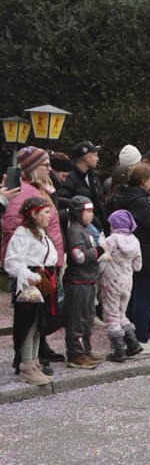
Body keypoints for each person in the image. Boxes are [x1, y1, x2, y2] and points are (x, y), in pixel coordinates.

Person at [2, 146, 67, 369]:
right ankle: (25, 361)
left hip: (44, 265)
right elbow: (13, 228)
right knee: (28, 317)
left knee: (40, 317)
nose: (50, 168)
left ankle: (36, 357)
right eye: (45, 165)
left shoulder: (37, 189)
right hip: (31, 268)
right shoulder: (24, 192)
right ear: (32, 168)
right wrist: (28, 263)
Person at [106, 164, 150, 355]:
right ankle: (142, 339)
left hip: (124, 254)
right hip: (147, 254)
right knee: (143, 298)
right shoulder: (142, 201)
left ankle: (129, 338)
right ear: (144, 181)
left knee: (130, 297)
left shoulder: (118, 197)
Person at [4, 197, 61, 385]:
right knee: (29, 325)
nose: (49, 216)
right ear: (34, 214)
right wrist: (28, 275)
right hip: (30, 285)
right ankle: (26, 366)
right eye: (45, 212)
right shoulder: (23, 234)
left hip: (44, 284)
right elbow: (12, 262)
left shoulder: (40, 233)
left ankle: (34, 361)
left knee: (38, 325)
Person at [63, 195, 108, 368]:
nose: (91, 215)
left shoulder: (84, 229)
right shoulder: (75, 231)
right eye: (88, 211)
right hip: (77, 282)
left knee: (88, 318)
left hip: (87, 281)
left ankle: (85, 351)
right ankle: (76, 354)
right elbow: (79, 257)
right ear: (78, 212)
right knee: (77, 319)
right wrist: (99, 250)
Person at [99, 209, 143, 362]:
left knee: (111, 315)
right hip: (127, 282)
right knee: (121, 313)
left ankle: (118, 350)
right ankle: (133, 342)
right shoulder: (135, 240)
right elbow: (138, 266)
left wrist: (99, 273)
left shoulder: (111, 240)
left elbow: (103, 259)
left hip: (111, 281)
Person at [58, 140, 106, 234]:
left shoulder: (93, 177)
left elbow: (99, 201)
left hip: (97, 225)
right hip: (82, 229)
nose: (98, 158)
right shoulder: (69, 177)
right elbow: (66, 202)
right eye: (95, 155)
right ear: (87, 157)